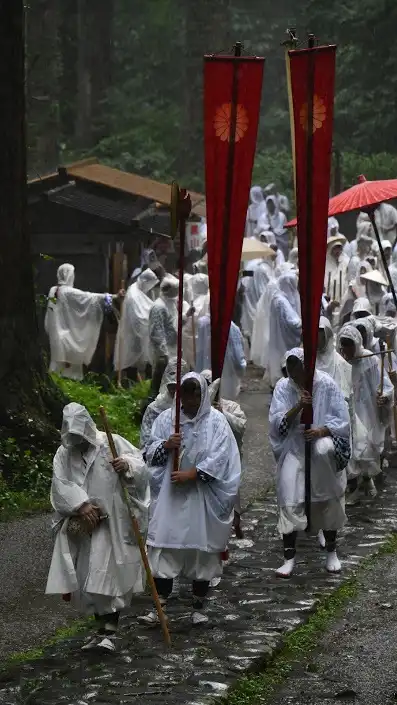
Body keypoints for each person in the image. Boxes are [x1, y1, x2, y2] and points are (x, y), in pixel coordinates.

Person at [45, 403, 150, 651]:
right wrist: (80, 505)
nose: (76, 440)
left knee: (107, 576)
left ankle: (109, 633)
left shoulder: (111, 443)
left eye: (80, 435)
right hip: (85, 525)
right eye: (71, 436)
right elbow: (59, 484)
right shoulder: (64, 453)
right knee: (87, 578)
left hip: (112, 521)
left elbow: (141, 466)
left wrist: (127, 466)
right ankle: (101, 629)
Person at [140, 372, 241, 625]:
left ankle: (198, 605)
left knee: (200, 549)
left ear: (202, 394)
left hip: (201, 497)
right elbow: (148, 451)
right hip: (170, 496)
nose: (189, 401)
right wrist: (166, 445)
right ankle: (160, 605)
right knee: (165, 545)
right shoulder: (166, 420)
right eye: (184, 395)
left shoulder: (216, 422)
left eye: (194, 395)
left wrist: (192, 474)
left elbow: (222, 456)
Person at [269, 348, 350, 578]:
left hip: (320, 448)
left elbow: (342, 421)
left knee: (326, 496)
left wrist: (321, 431)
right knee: (289, 495)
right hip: (294, 449)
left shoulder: (326, 384)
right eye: (291, 367)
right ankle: (289, 558)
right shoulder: (283, 388)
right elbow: (278, 425)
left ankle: (332, 552)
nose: (294, 372)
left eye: (298, 367)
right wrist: (298, 408)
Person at [338, 325, 393, 502]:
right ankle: (356, 483)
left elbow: (382, 384)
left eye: (350, 345)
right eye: (343, 346)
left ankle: (364, 480)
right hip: (349, 410)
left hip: (366, 410)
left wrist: (384, 396)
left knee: (365, 446)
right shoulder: (340, 362)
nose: (346, 350)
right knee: (352, 448)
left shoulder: (369, 360)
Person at [45, 263, 124, 381]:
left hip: (56, 335)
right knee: (69, 370)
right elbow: (89, 298)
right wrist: (114, 297)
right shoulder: (67, 292)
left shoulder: (53, 290)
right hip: (66, 338)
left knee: (57, 369)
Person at [149, 275, 193, 397]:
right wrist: (164, 354)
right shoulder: (158, 307)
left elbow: (174, 324)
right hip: (165, 352)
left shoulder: (170, 303)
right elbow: (156, 333)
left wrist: (186, 315)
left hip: (173, 348)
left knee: (171, 381)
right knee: (161, 383)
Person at [114, 269, 158, 379]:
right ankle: (133, 387)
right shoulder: (134, 294)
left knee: (139, 362)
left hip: (138, 334)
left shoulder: (137, 290)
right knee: (133, 363)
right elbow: (139, 316)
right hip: (134, 334)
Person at [140, 357, 189, 451]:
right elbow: (146, 443)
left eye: (177, 387)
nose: (174, 391)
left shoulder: (190, 408)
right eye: (171, 387)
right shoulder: (155, 408)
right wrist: (165, 445)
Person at [196, 315, 247, 400]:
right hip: (227, 380)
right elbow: (238, 359)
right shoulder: (232, 328)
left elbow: (199, 351)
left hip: (204, 376)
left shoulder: (202, 323)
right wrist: (241, 371)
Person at [265, 272, 302, 389]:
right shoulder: (282, 301)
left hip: (279, 336)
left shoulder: (277, 298)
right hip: (284, 339)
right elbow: (293, 322)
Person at [324, 235, 349, 303]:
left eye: (339, 248)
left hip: (343, 298)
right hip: (328, 299)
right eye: (335, 248)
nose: (337, 251)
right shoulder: (325, 263)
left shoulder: (346, 262)